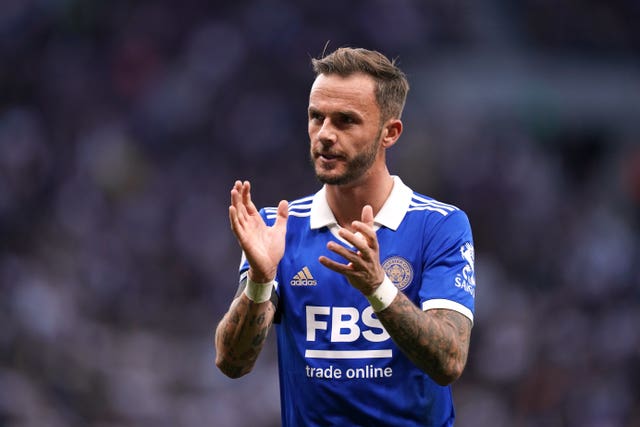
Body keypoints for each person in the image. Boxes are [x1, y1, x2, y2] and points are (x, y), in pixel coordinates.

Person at [215, 46, 476, 426]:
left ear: (390, 133)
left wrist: (378, 287)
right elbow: (231, 363)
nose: (324, 135)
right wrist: (259, 281)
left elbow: (449, 361)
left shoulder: (439, 225)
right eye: (316, 117)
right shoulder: (279, 228)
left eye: (345, 121)